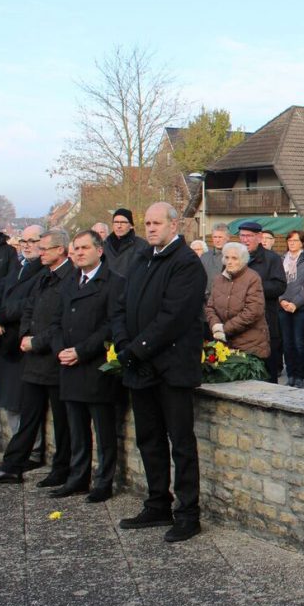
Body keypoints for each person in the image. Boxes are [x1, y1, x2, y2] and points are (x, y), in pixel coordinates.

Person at [110, 202, 207, 543]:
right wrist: (124, 343)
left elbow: (173, 317)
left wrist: (135, 349)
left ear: (173, 224)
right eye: (147, 223)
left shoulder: (186, 264)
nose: (150, 228)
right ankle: (157, 503)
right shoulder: (141, 259)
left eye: (156, 223)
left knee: (180, 442)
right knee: (148, 439)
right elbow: (120, 305)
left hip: (172, 368)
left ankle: (188, 513)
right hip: (140, 366)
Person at [0, 229, 75, 490]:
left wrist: (37, 341)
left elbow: (61, 321)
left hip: (53, 359)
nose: (40, 252)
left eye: (45, 248)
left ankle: (62, 469)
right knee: (28, 416)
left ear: (60, 250)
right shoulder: (44, 276)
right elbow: (29, 307)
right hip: (33, 359)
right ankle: (12, 466)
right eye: (38, 247)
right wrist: (24, 335)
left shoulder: (70, 278)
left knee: (63, 422)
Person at [48, 230, 124, 503]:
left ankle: (104, 481)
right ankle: (78, 477)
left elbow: (111, 326)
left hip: (95, 367)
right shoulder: (70, 282)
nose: (78, 253)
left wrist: (81, 351)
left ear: (99, 250)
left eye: (84, 248)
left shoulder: (114, 283)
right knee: (76, 429)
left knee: (103, 431)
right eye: (75, 248)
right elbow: (56, 321)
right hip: (68, 365)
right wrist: (60, 351)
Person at [0, 225, 47, 456]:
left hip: (23, 342)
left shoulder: (44, 271)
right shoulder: (17, 267)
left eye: (33, 240)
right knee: (10, 402)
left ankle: (31, 449)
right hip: (4, 342)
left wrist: (1, 316)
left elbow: (31, 302)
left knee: (25, 402)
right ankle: (17, 447)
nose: (28, 245)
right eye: (24, 240)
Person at [237, 222, 287, 383]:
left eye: (249, 236)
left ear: (259, 237)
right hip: (240, 323)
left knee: (267, 372)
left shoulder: (271, 259)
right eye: (242, 236)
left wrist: (252, 287)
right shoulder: (235, 258)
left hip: (265, 322)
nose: (245, 240)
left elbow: (279, 286)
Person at [206, 242, 271, 360]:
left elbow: (253, 312)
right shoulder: (218, 279)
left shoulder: (252, 278)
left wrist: (225, 329)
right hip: (223, 345)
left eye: (234, 258)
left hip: (250, 344)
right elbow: (210, 307)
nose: (229, 262)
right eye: (226, 257)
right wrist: (215, 325)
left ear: (243, 260)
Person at [278, 230, 304, 388]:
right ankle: (291, 374)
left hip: (299, 308)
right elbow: (278, 281)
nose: (292, 243)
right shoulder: (281, 259)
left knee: (299, 342)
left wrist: (296, 303)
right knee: (287, 343)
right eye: (289, 240)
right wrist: (282, 300)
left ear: (302, 242)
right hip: (283, 305)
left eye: (295, 240)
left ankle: (299, 375)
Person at [104, 208, 149, 272]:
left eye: (123, 222)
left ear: (131, 226)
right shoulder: (103, 246)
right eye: (116, 222)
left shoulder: (143, 246)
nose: (119, 226)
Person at [200, 223, 228, 293]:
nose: (217, 240)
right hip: (207, 299)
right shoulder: (204, 257)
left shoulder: (234, 257)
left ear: (227, 238)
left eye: (220, 237)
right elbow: (199, 278)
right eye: (215, 237)